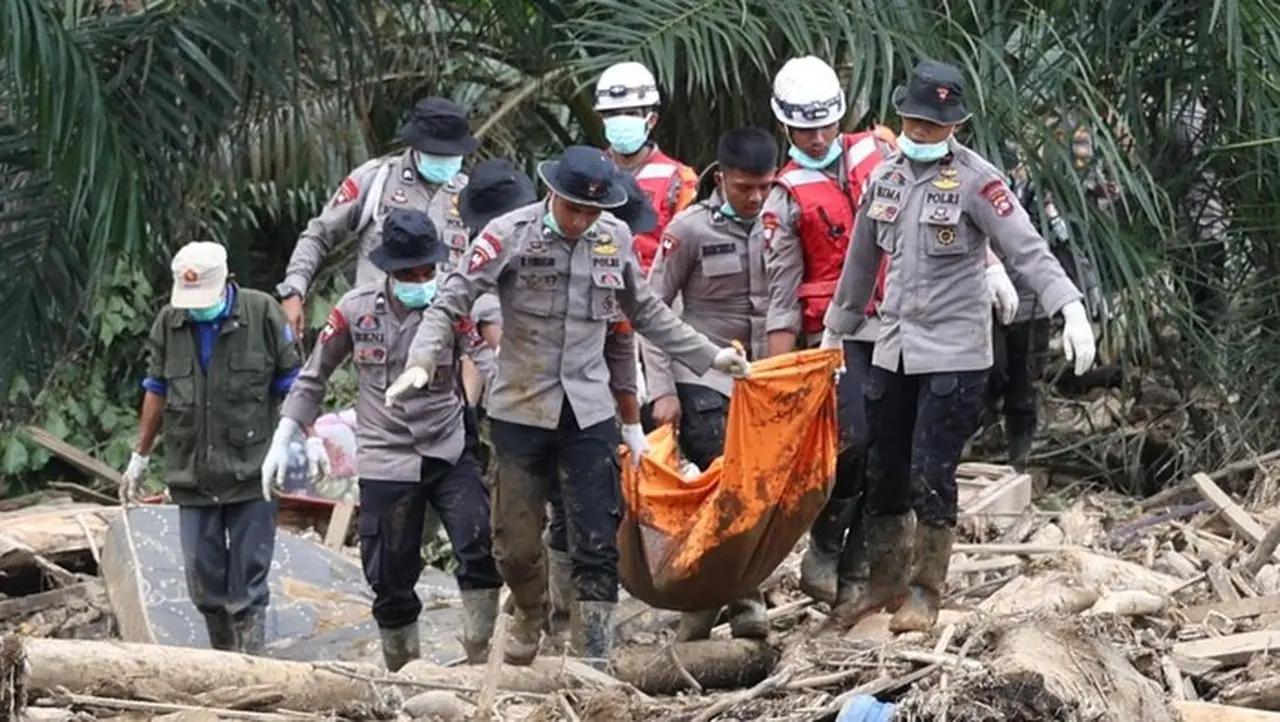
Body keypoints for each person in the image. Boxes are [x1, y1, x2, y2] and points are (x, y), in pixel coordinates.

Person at [383, 145, 752, 668]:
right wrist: (421, 359)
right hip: (520, 408)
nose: (582, 220)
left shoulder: (613, 239)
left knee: (596, 538)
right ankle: (532, 612)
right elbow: (452, 300)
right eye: (575, 208)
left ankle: (593, 655)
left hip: (588, 409)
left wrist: (711, 357)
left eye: (593, 211)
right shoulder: (508, 235)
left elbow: (646, 313)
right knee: (513, 545)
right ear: (553, 194)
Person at [821, 59, 1097, 633]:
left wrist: (1068, 305)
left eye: (934, 125)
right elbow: (862, 259)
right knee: (884, 464)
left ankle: (926, 590)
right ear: (902, 117)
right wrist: (838, 325)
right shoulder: (886, 178)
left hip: (954, 354)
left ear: (955, 125)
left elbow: (1026, 248)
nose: (921, 134)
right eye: (915, 123)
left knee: (931, 470)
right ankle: (883, 582)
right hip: (892, 346)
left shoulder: (978, 181)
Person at [761, 55, 1020, 610]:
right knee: (857, 443)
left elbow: (972, 214)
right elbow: (786, 292)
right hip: (845, 325)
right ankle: (831, 549)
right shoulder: (786, 195)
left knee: (903, 458)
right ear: (785, 126)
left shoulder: (882, 154)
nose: (817, 137)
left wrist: (993, 266)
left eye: (825, 124)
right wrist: (787, 368)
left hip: (910, 323)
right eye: (804, 128)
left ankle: (874, 578)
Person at [265, 209, 503, 671]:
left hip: (447, 445)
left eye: (428, 271)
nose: (421, 280)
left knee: (477, 543)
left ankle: (480, 659)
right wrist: (286, 433)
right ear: (390, 271)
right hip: (386, 456)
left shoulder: (453, 307)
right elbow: (315, 377)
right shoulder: (355, 310)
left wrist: (514, 406)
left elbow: (488, 362)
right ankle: (404, 672)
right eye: (410, 273)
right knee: (390, 576)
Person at [120, 242, 302, 653]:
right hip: (193, 472)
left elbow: (292, 383)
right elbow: (157, 390)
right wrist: (140, 456)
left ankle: (252, 666)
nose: (196, 308)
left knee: (249, 582)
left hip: (253, 469)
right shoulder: (170, 322)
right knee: (203, 580)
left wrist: (301, 439)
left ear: (225, 283)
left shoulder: (263, 314)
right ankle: (221, 662)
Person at [642, 126, 778, 641]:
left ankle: (702, 605)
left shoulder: (780, 222)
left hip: (761, 381)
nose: (756, 197)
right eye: (746, 187)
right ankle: (744, 601)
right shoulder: (689, 230)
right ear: (722, 178)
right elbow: (652, 313)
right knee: (731, 480)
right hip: (701, 376)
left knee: (753, 491)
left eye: (765, 185)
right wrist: (664, 391)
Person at [276, 96, 478, 337]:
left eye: (452, 154)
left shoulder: (471, 195)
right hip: (376, 332)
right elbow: (319, 235)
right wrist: (293, 290)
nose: (445, 159)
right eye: (438, 152)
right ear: (417, 145)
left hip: (444, 337)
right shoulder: (376, 180)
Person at [593, 61, 699, 275]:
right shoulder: (585, 171)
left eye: (630, 113)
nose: (621, 120)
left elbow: (687, 247)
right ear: (602, 119)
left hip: (652, 289)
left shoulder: (679, 179)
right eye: (612, 113)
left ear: (651, 119)